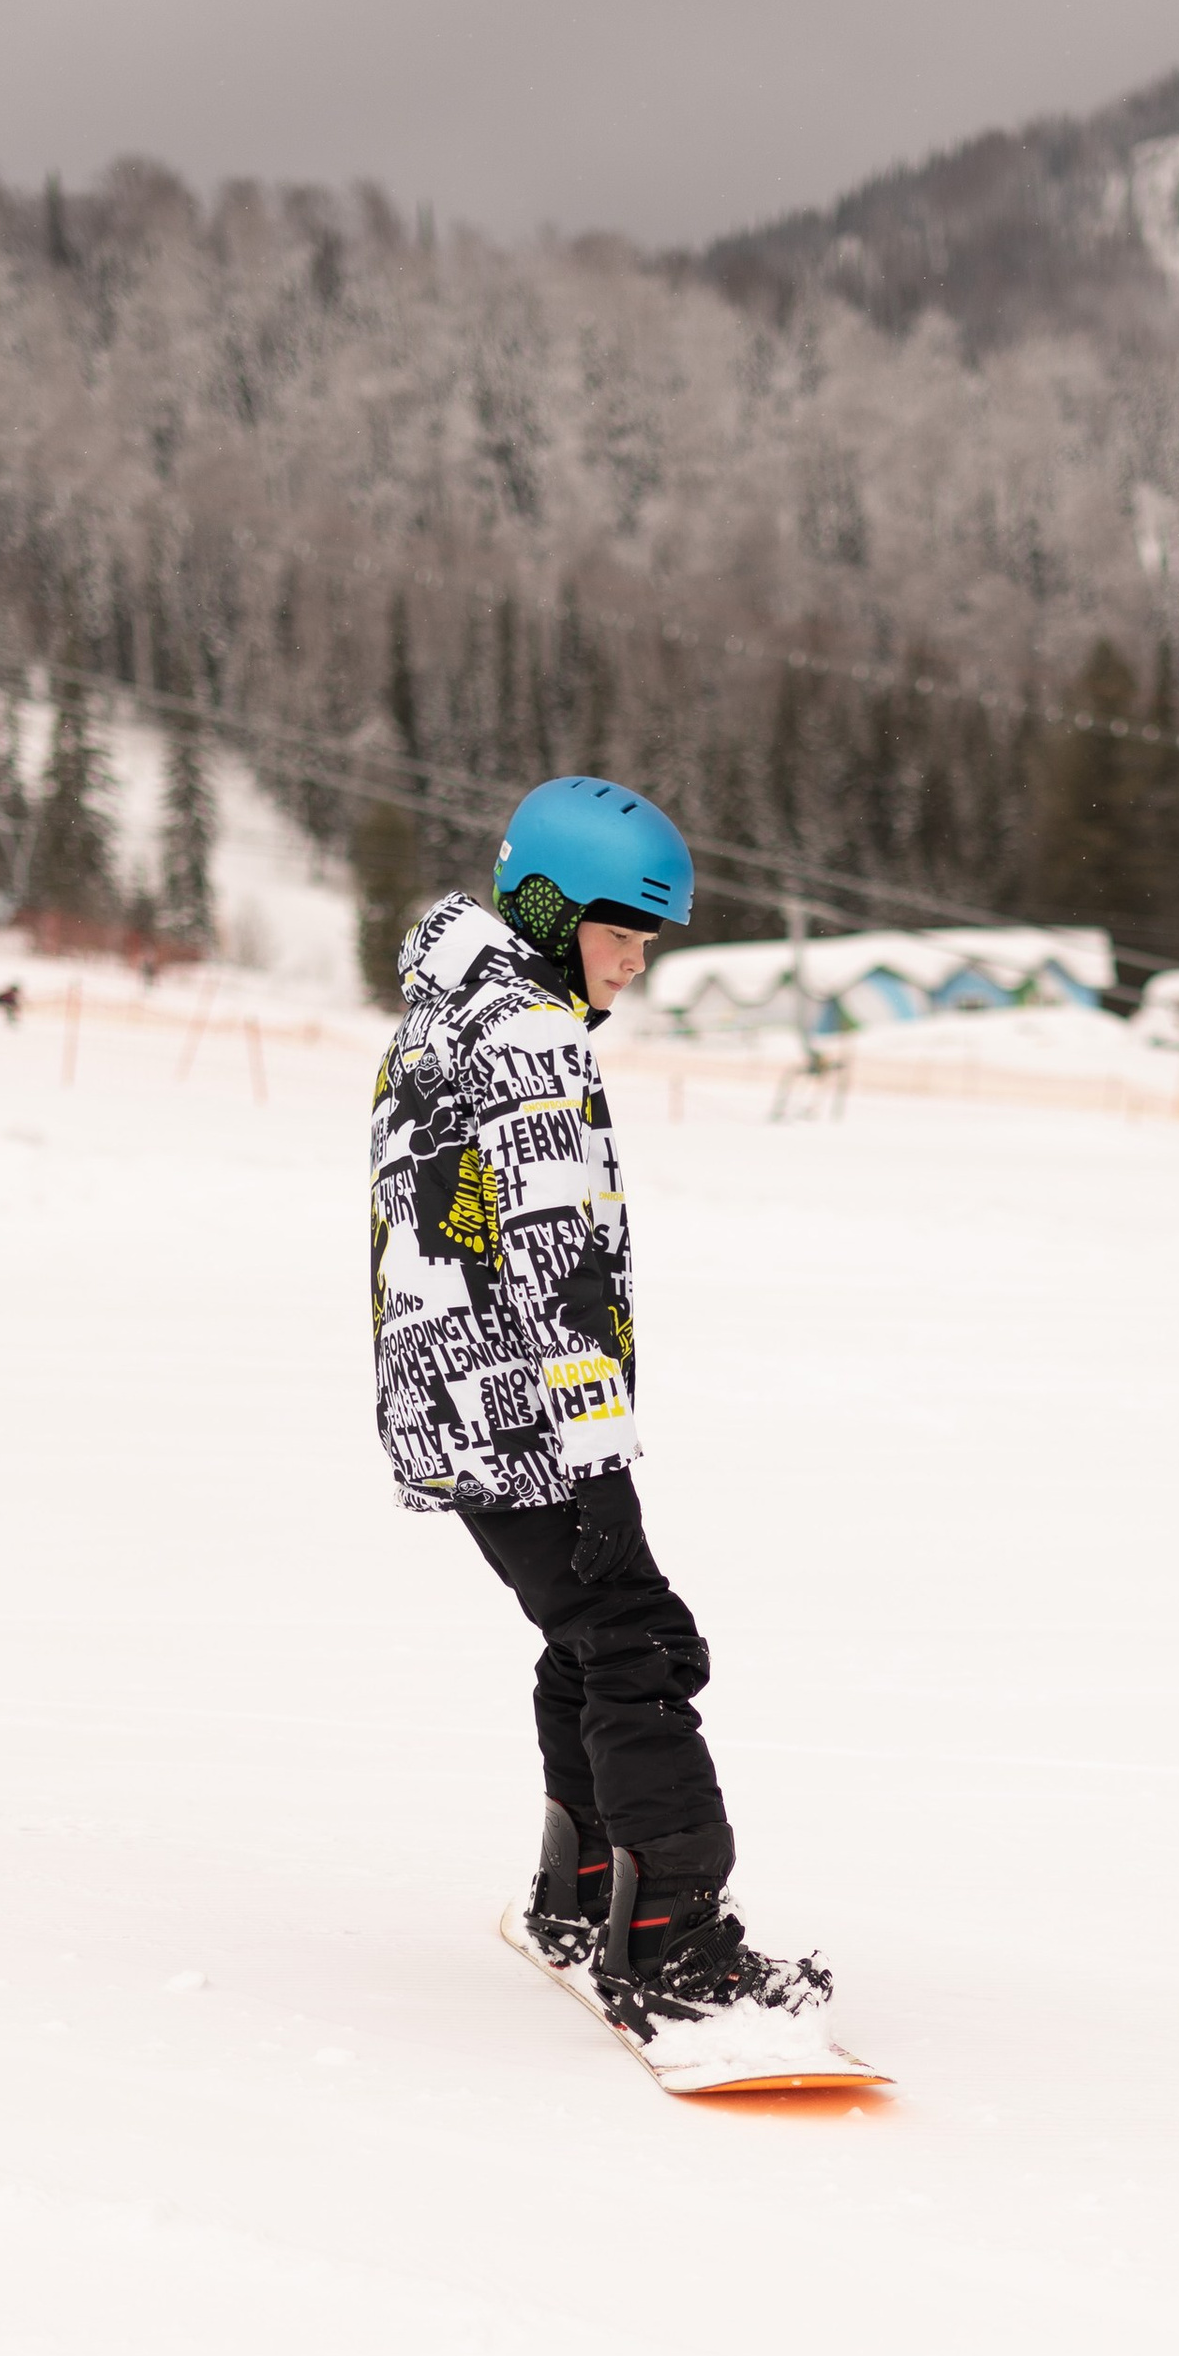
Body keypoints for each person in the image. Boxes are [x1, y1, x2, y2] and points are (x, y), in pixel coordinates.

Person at [368, 774, 828, 2038]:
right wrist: (597, 1463)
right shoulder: (528, 1036)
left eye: (647, 940)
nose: (635, 965)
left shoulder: (447, 1012)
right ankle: (672, 1940)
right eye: (621, 933)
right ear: (549, 909)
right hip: (517, 1409)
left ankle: (578, 1890)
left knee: (593, 1634)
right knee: (639, 1646)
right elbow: (552, 1257)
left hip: (453, 1395)